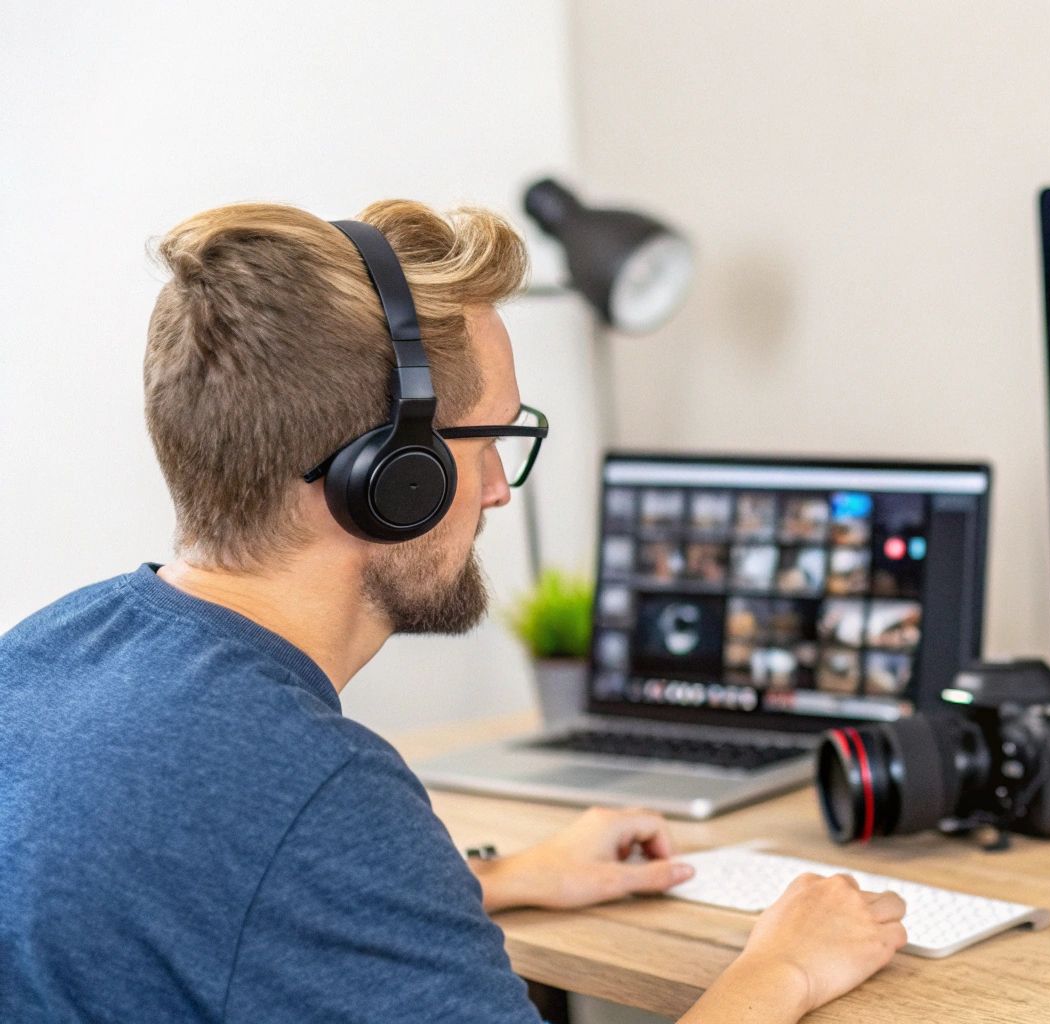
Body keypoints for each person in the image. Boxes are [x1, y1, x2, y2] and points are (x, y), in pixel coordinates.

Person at [0, 201, 907, 1022]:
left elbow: (211, 898)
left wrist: (490, 880)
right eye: (492, 441)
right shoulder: (311, 786)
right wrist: (783, 969)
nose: (499, 494)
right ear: (392, 479)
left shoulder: (45, 652)